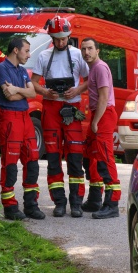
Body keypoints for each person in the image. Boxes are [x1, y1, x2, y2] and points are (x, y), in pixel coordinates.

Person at [31, 16, 89, 218]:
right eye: (57, 39)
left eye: (64, 38)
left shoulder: (77, 55)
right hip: (51, 108)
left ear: (69, 36)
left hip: (72, 108)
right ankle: (59, 202)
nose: (61, 42)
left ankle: (76, 203)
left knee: (75, 156)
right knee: (53, 157)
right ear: (52, 38)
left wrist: (77, 89)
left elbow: (89, 80)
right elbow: (34, 83)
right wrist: (45, 92)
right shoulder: (44, 56)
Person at [0, 37, 45, 220]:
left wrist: (17, 90)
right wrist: (19, 92)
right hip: (10, 118)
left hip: (25, 119)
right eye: (26, 51)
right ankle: (10, 207)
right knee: (10, 164)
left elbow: (32, 93)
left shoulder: (22, 70)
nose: (29, 55)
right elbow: (9, 97)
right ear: (16, 50)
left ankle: (31, 205)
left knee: (32, 162)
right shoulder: (1, 68)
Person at [80, 37, 121, 219]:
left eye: (89, 49)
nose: (86, 52)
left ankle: (112, 204)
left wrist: (95, 121)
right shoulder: (93, 68)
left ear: (97, 50)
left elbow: (104, 98)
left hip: (104, 114)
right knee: (89, 154)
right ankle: (95, 199)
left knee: (105, 157)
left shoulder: (100, 68)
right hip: (99, 114)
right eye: (83, 49)